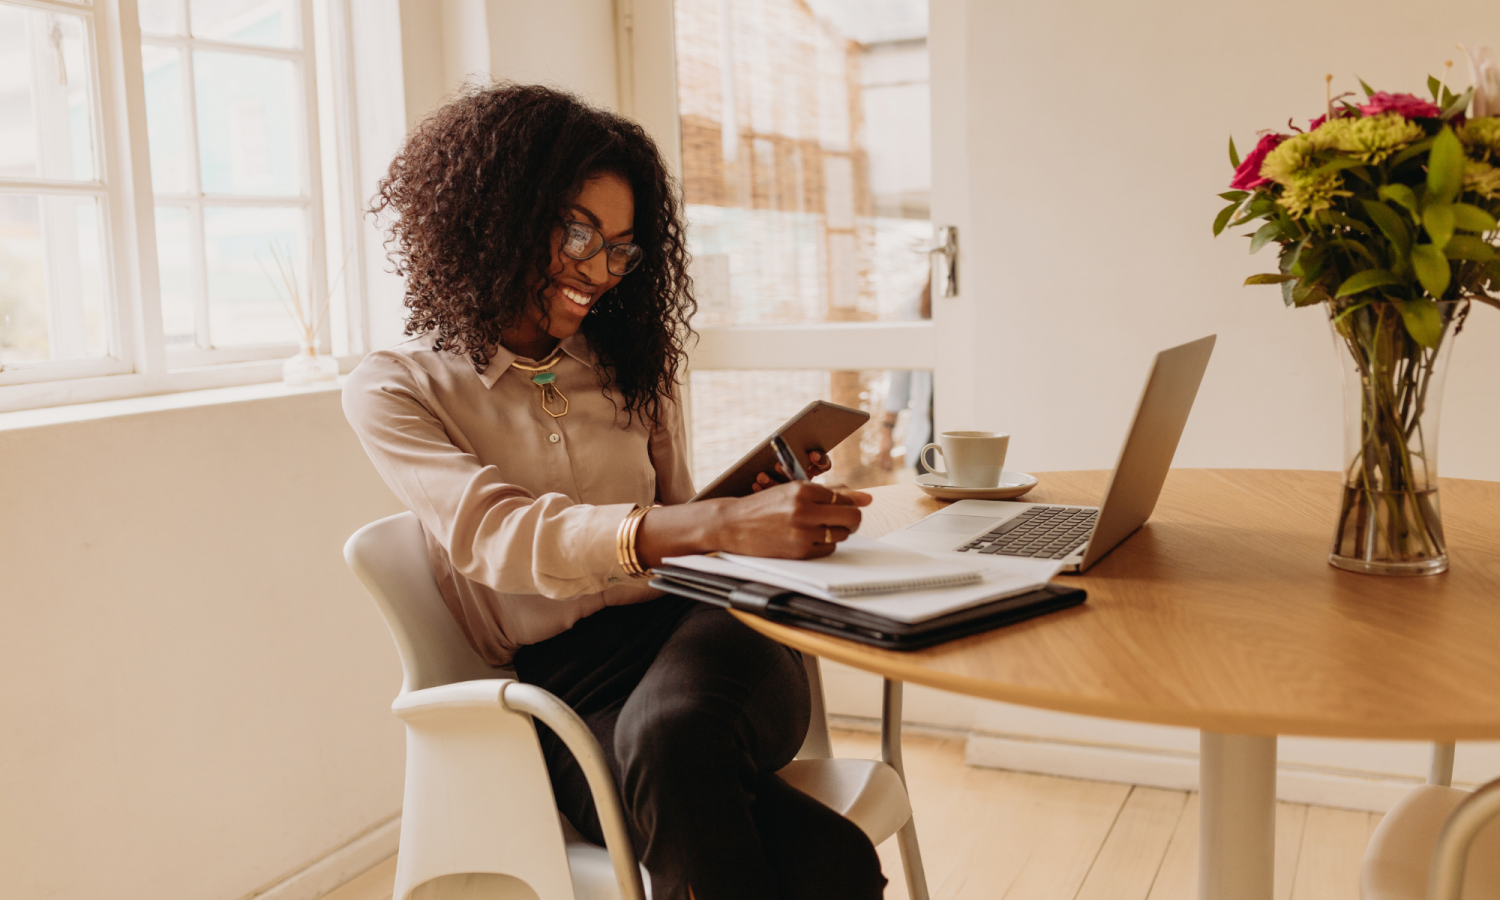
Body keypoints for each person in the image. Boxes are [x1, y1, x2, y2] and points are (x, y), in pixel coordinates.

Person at [343, 83, 887, 900]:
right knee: (820, 858)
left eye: (621, 249)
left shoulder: (634, 363)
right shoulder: (398, 389)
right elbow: (499, 535)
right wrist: (722, 520)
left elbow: (678, 527)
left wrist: (738, 513)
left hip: (710, 637)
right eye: (578, 233)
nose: (599, 272)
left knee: (673, 737)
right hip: (562, 693)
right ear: (493, 216)